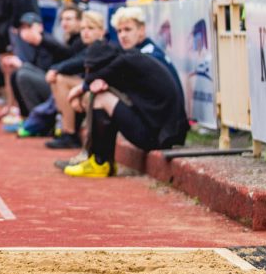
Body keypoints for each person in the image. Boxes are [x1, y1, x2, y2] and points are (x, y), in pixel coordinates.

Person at [62, 41, 188, 178]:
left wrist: (79, 90)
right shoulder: (129, 58)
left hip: (158, 138)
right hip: (164, 133)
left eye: (92, 67)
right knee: (104, 95)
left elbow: (91, 79)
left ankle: (100, 162)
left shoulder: (122, 63)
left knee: (101, 98)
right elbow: (95, 78)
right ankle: (105, 162)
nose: (89, 71)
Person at [43, 10, 107, 149]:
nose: (86, 32)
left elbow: (79, 62)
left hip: (103, 95)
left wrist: (56, 69)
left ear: (102, 31)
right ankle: (66, 130)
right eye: (83, 28)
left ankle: (71, 133)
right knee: (58, 79)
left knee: (60, 79)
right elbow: (75, 61)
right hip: (90, 89)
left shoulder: (103, 47)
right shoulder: (88, 47)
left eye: (90, 28)